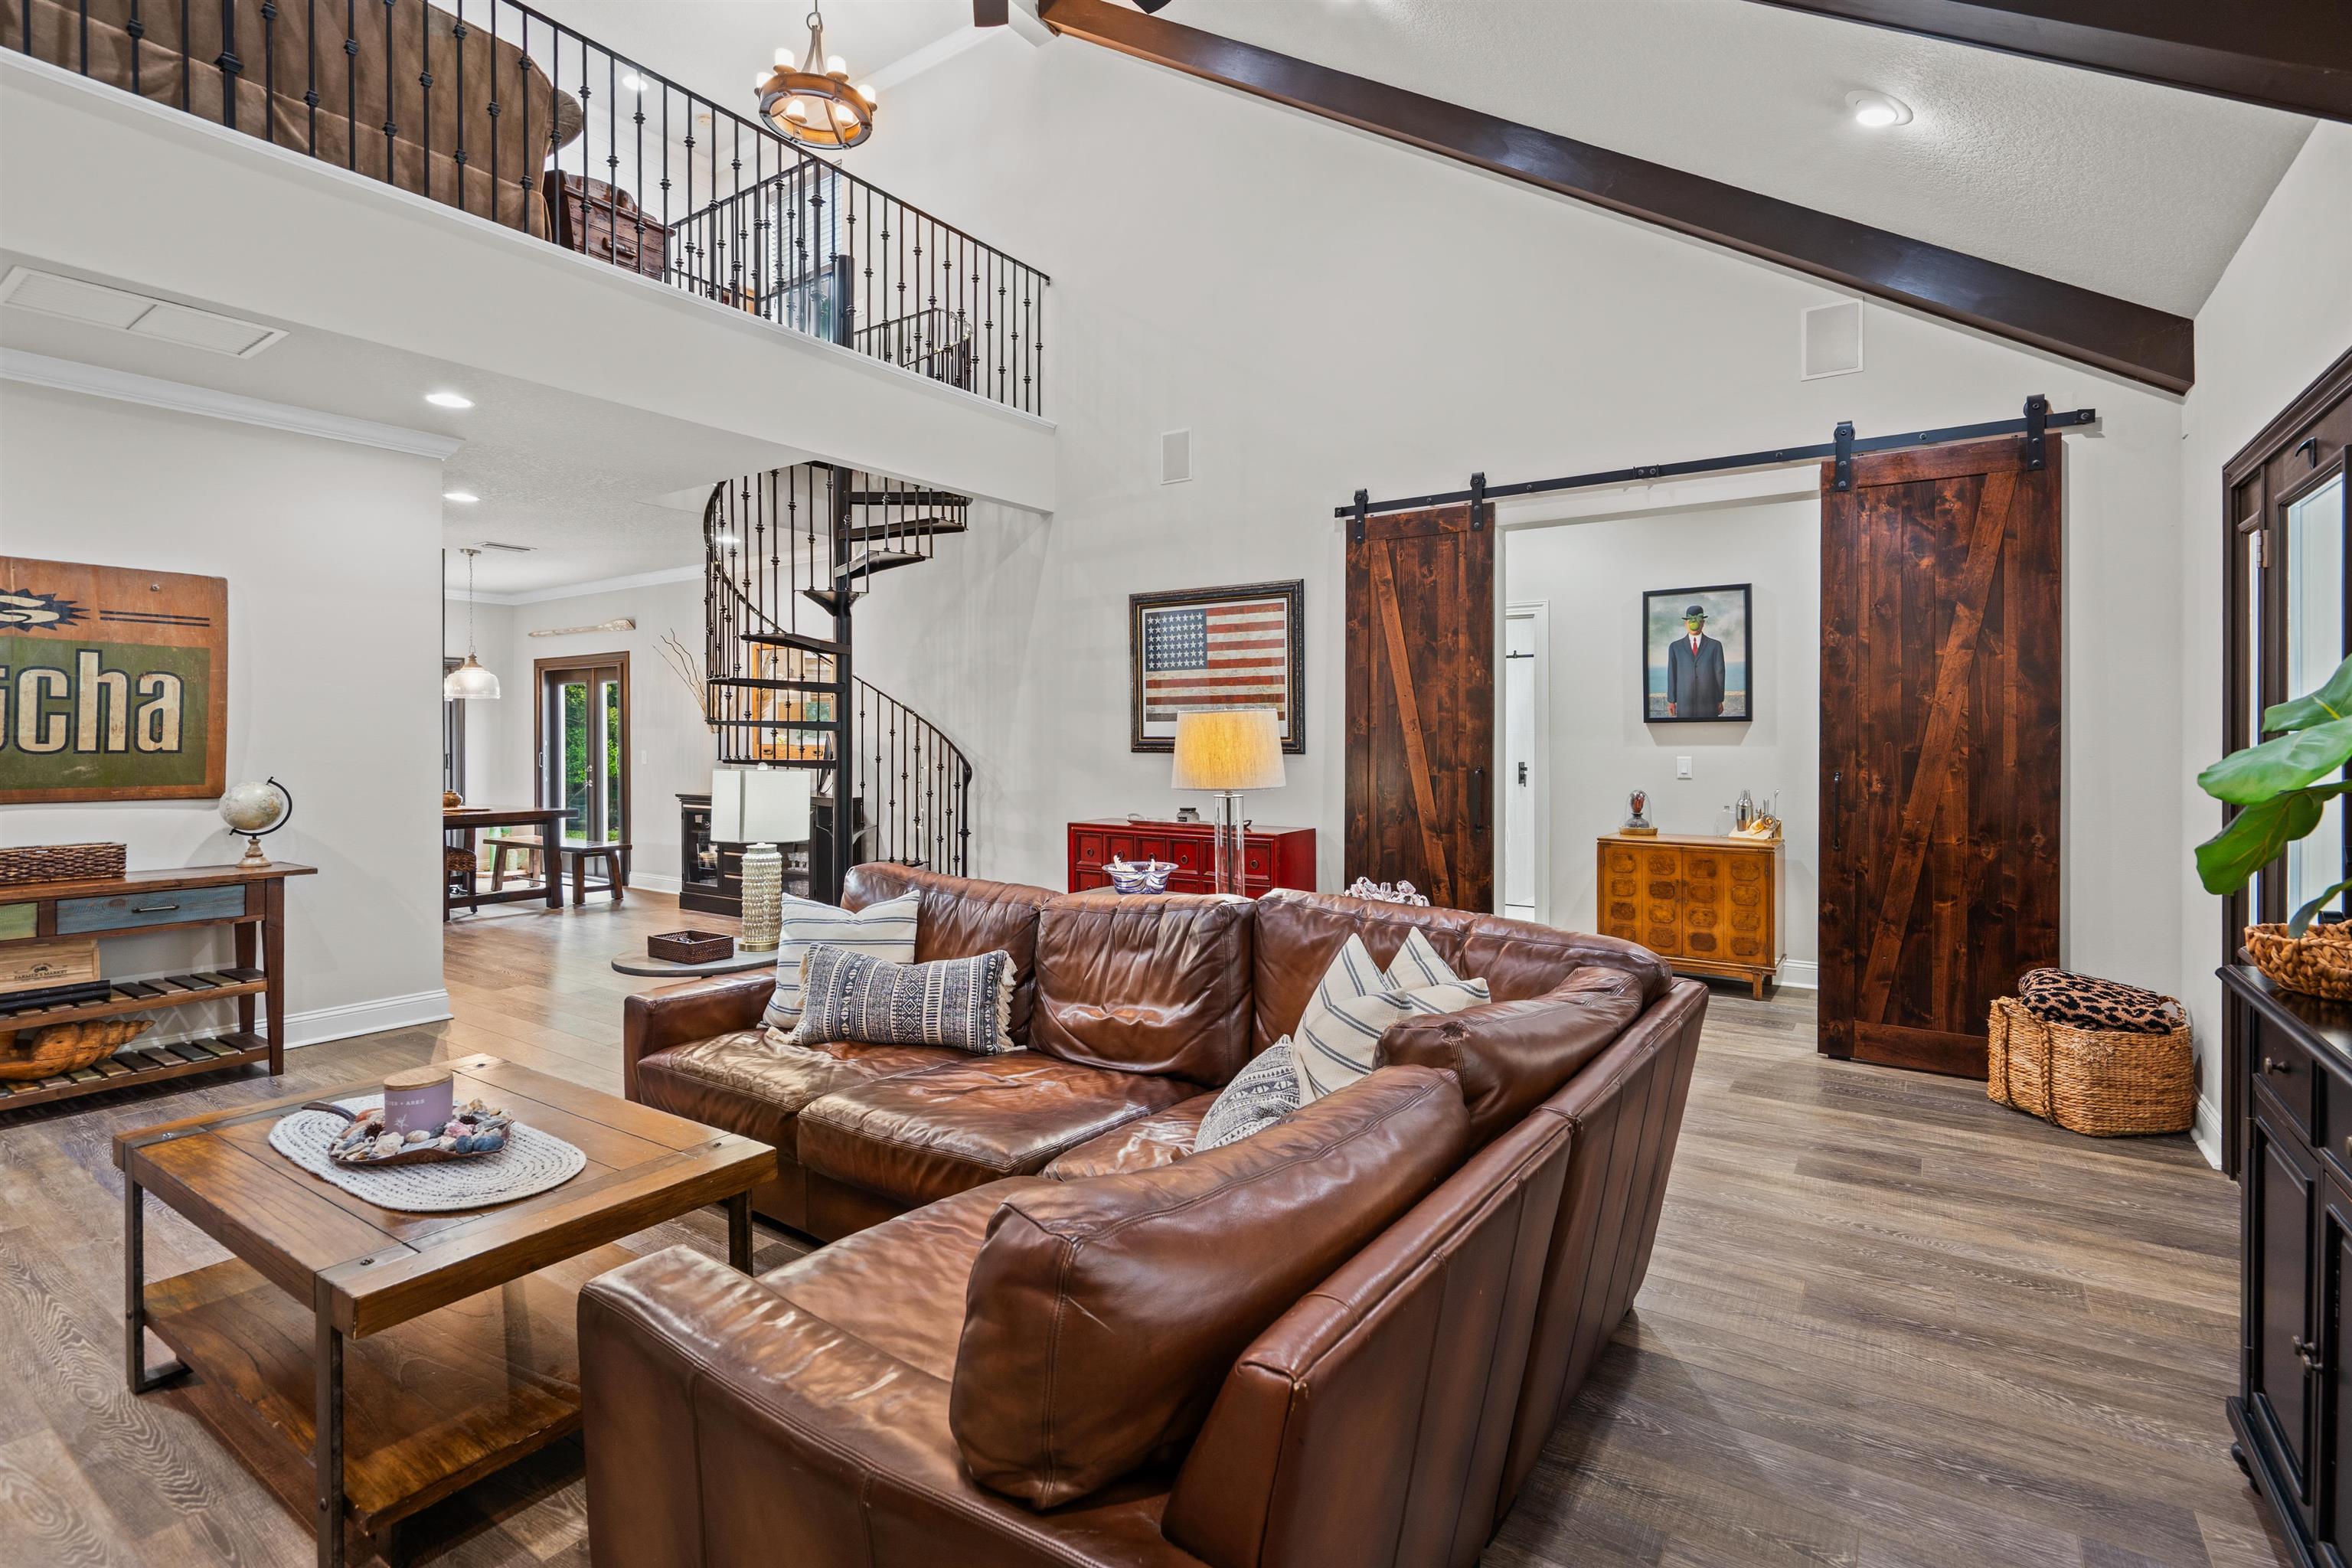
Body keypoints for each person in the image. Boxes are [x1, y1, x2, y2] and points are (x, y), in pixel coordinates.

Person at [1665, 603, 1726, 718]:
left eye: (1697, 620)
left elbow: (1720, 674)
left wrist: (1719, 700)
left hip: (1709, 703)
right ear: (1686, 624)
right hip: (1684, 703)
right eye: (1690, 621)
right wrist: (1671, 701)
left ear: (1703, 623)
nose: (1694, 624)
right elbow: (1671, 675)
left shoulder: (1715, 646)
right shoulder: (1675, 647)